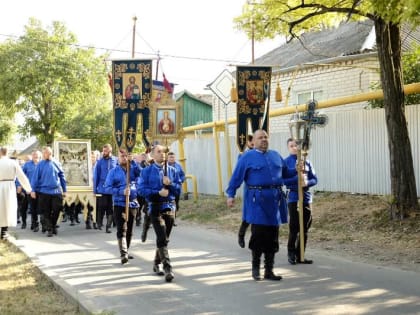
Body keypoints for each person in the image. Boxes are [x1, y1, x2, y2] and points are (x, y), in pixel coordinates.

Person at [226, 129, 288, 281]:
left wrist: (298, 171)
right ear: (253, 141)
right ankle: (255, 269)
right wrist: (231, 194)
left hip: (274, 201)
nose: (264, 140)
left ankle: (269, 270)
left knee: (273, 237)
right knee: (259, 235)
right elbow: (237, 177)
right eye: (260, 138)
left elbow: (287, 174)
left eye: (266, 137)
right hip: (257, 201)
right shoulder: (247, 157)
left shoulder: (275, 155)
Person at [138, 145, 180, 282]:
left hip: (169, 207)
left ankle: (156, 262)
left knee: (165, 239)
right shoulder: (146, 171)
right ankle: (168, 269)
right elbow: (141, 190)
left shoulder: (172, 171)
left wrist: (171, 184)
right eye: (159, 152)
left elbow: (179, 190)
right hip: (155, 207)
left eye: (164, 152)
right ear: (153, 154)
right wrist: (157, 193)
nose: (162, 154)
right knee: (161, 236)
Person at [284, 138, 318, 265]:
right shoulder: (286, 163)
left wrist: (306, 182)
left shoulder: (306, 162)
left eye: (296, 145)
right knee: (294, 227)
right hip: (293, 198)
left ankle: (301, 255)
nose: (294, 148)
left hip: (306, 198)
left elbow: (315, 179)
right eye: (291, 146)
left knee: (305, 228)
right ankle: (291, 253)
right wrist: (296, 178)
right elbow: (283, 180)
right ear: (288, 147)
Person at [105, 149, 140, 264]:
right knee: (122, 229)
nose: (124, 158)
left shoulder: (133, 169)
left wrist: (133, 162)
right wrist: (121, 191)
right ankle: (123, 253)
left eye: (126, 156)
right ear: (118, 158)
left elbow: (142, 174)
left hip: (133, 203)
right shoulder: (113, 172)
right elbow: (107, 187)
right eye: (122, 156)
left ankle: (127, 250)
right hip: (120, 204)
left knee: (130, 230)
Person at [30, 147, 66, 237]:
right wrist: (33, 190)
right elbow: (35, 178)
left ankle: (53, 225)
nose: (46, 155)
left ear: (51, 153)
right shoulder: (40, 164)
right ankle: (50, 229)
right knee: (46, 211)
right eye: (44, 153)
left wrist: (65, 190)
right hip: (44, 191)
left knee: (57, 209)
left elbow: (62, 176)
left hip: (56, 191)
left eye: (48, 153)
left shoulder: (56, 163)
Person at [0, 147, 32, 240]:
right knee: (7, 208)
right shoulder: (13, 163)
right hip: (9, 186)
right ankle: (4, 232)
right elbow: (22, 176)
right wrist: (28, 189)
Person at [93, 144, 117, 233]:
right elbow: (96, 175)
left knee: (110, 208)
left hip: (112, 188)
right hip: (102, 187)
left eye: (105, 151)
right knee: (102, 206)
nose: (104, 153)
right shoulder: (99, 162)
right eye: (103, 151)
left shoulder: (115, 160)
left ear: (110, 151)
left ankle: (108, 226)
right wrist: (95, 189)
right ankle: (99, 223)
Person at [237, 134, 254, 248]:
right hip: (250, 189)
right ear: (247, 143)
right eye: (250, 141)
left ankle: (254, 241)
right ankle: (241, 234)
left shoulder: (263, 154)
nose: (253, 143)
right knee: (248, 215)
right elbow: (239, 172)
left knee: (258, 216)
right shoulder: (243, 155)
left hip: (261, 191)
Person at [22, 150, 42, 232]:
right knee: (33, 208)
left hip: (41, 190)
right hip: (30, 190)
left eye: (36, 155)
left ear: (39, 156)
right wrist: (21, 186)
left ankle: (43, 224)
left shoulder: (43, 164)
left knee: (41, 208)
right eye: (33, 155)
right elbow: (22, 176)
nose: (35, 156)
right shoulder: (27, 165)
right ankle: (35, 223)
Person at [167, 151, 185, 225]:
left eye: (173, 157)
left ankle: (173, 216)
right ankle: (171, 220)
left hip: (176, 188)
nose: (172, 158)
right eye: (170, 157)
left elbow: (182, 175)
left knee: (176, 204)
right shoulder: (164, 166)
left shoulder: (178, 166)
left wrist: (181, 181)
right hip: (167, 188)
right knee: (169, 203)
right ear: (167, 158)